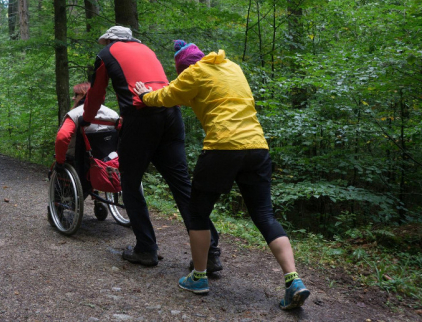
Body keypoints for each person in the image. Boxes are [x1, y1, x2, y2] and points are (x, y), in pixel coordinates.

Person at [134, 40, 310, 310]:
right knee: (264, 215)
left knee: (198, 214)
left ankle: (199, 278)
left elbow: (167, 97)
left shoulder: (193, 73)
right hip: (257, 147)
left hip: (222, 148)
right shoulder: (233, 68)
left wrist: (145, 95)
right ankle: (294, 281)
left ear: (183, 68)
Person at [82, 26, 222, 269]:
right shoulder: (146, 49)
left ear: (109, 40)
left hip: (141, 116)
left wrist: (87, 118)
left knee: (130, 182)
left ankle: (146, 249)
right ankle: (209, 253)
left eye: (105, 42)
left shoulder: (105, 55)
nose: (104, 45)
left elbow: (96, 94)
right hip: (170, 112)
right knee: (181, 184)